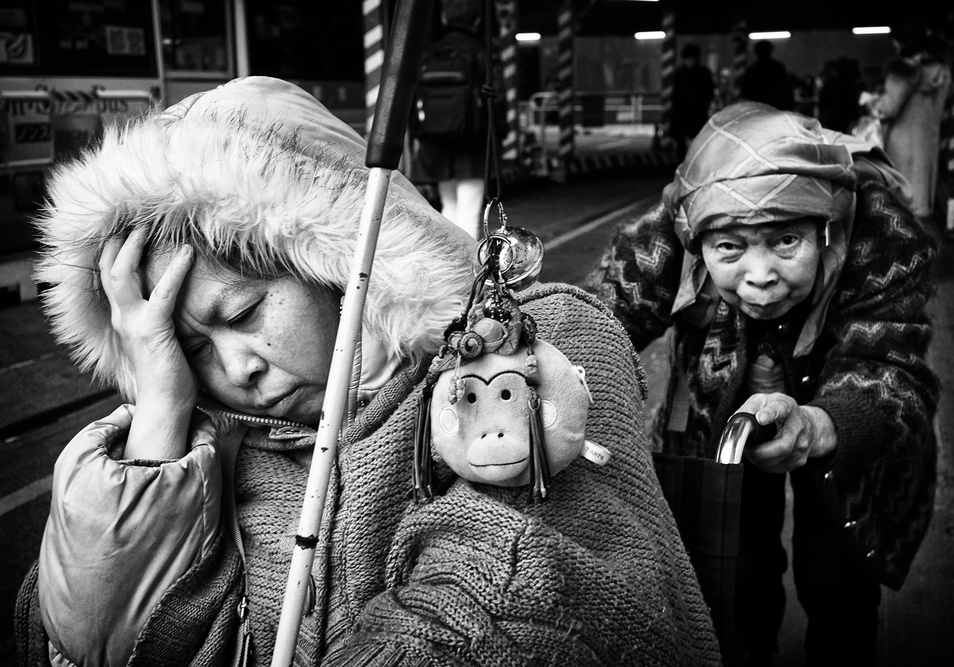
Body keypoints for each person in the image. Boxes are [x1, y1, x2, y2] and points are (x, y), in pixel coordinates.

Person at [13, 76, 721, 666]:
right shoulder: (215, 452)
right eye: (193, 349)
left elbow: (522, 586)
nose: (237, 368)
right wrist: (162, 416)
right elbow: (93, 638)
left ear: (335, 260)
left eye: (244, 312)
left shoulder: (536, 337)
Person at [585, 102, 939, 667]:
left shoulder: (880, 231)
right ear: (695, 238)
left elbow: (892, 372)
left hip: (848, 438)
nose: (759, 276)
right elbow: (593, 324)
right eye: (729, 247)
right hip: (715, 428)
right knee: (731, 581)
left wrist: (817, 426)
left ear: (826, 227)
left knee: (839, 586)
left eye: (785, 242)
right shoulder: (673, 225)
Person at [409, 0, 495, 241]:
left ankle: (447, 264)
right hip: (472, 142)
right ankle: (466, 272)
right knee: (469, 208)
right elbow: (494, 99)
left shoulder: (431, 50)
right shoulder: (481, 49)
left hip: (436, 142)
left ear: (446, 18)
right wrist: (499, 135)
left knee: (448, 206)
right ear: (476, 19)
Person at [870, 19, 952, 225]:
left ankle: (906, 247)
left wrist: (872, 102)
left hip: (901, 144)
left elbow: (888, 107)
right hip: (928, 141)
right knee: (921, 203)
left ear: (901, 43)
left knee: (902, 202)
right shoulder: (942, 70)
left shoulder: (905, 69)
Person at [669, 43, 716, 157]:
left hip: (694, 111)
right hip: (688, 112)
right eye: (687, 59)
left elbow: (708, 92)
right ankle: (684, 161)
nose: (689, 61)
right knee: (687, 140)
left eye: (691, 58)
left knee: (696, 139)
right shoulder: (701, 73)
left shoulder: (683, 73)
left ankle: (689, 160)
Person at [740, 40, 794, 111]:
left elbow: (745, 92)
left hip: (758, 109)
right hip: (775, 108)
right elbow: (786, 89)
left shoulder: (753, 70)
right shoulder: (777, 68)